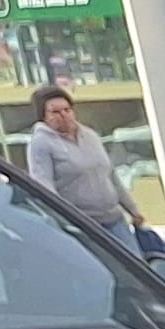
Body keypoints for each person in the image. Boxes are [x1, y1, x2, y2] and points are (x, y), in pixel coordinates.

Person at [25, 84, 138, 234]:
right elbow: (44, 187)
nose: (64, 115)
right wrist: (64, 223)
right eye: (55, 112)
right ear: (43, 116)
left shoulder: (90, 136)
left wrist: (133, 210)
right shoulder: (40, 143)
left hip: (114, 218)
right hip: (83, 226)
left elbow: (110, 175)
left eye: (67, 110)